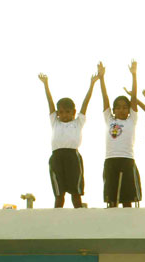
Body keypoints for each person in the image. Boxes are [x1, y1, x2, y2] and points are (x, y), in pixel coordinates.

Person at [39, 69, 98, 209]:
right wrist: (46, 85)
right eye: (61, 112)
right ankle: (56, 219)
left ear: (73, 112)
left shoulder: (78, 122)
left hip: (72, 157)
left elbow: (85, 103)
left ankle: (79, 217)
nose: (64, 115)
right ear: (57, 113)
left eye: (67, 112)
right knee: (59, 194)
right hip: (57, 157)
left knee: (75, 193)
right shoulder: (55, 122)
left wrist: (92, 84)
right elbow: (50, 102)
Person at [98, 61, 142, 207]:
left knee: (127, 198)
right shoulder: (109, 119)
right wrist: (101, 78)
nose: (122, 110)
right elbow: (105, 98)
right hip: (110, 160)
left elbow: (134, 98)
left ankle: (128, 226)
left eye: (125, 107)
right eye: (118, 108)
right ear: (113, 110)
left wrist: (134, 75)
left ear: (129, 110)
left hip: (127, 159)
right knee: (111, 198)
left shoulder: (132, 120)